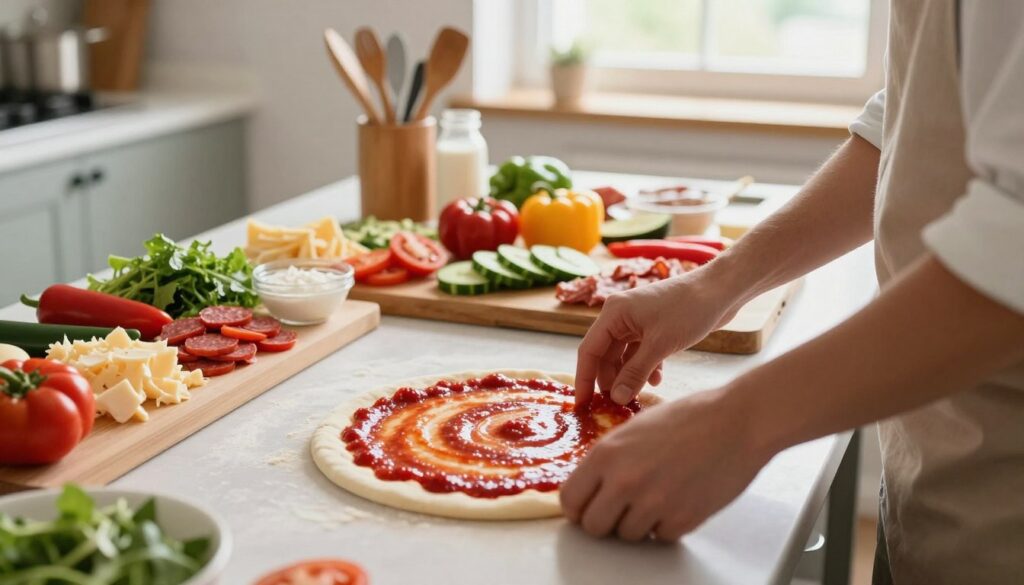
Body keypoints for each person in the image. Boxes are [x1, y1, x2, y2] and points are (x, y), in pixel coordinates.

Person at [559, 3, 1024, 583]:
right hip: (940, 481)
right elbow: (911, 120)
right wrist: (715, 284)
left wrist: (735, 422)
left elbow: (1014, 251)